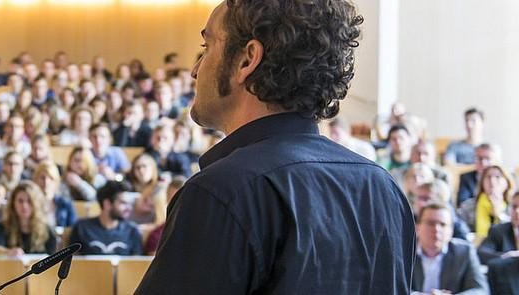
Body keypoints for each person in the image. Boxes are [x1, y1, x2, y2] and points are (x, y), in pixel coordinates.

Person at [137, 1, 413, 293]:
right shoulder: (383, 188)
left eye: (206, 47)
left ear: (247, 60)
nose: (195, 70)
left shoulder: (221, 192)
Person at [411, 202, 488, 294]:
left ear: (451, 230)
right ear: (417, 227)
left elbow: (481, 290)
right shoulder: (404, 253)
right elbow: (393, 287)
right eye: (431, 223)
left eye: (442, 224)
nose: (436, 229)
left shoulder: (464, 252)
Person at [69, 181, 142, 256]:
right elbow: (73, 262)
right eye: (123, 203)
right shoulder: (82, 228)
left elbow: (136, 264)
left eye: (129, 203)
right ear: (107, 204)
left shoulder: (132, 231)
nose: (129, 208)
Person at [0, 181, 57, 256]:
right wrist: (8, 252)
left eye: (29, 201)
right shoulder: (3, 227)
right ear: (13, 203)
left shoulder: (48, 230)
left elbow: (53, 258)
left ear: (36, 204)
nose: (24, 206)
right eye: (20, 201)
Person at [458, 165, 513, 240]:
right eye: (488, 177)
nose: (492, 181)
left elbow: (512, 234)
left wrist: (498, 215)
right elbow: (460, 231)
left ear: (507, 183)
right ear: (482, 182)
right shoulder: (468, 205)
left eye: (497, 177)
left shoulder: (514, 207)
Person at [479, 193, 519, 294]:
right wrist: (508, 256)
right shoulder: (499, 230)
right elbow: (482, 252)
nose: (517, 211)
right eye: (514, 207)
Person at [31, 161, 78, 227]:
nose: (46, 182)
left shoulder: (65, 203)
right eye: (42, 178)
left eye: (51, 178)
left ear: (56, 182)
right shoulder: (29, 203)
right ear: (35, 180)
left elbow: (73, 229)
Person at [457, 143, 502, 208]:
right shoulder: (466, 178)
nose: (483, 163)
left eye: (488, 158)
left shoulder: (505, 178)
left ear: (496, 160)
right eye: (479, 158)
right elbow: (462, 203)